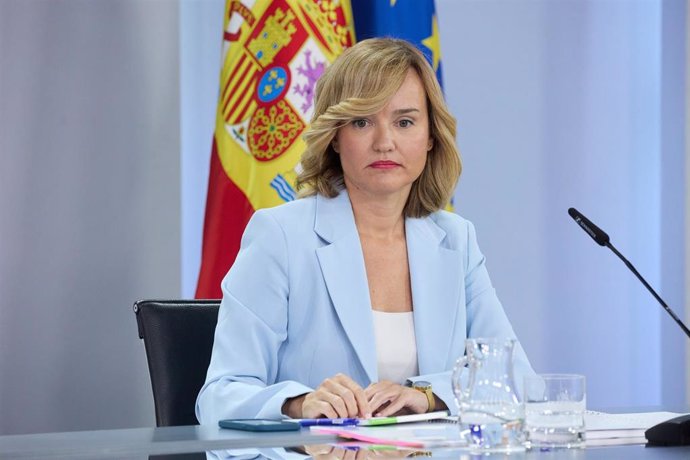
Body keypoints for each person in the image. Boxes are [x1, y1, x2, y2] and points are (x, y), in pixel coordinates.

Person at [196, 38, 534, 424]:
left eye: (405, 122)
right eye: (362, 121)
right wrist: (299, 404)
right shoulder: (281, 237)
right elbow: (220, 395)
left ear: (430, 138)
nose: (385, 142)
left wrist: (428, 397)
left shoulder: (456, 239)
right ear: (335, 137)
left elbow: (517, 381)